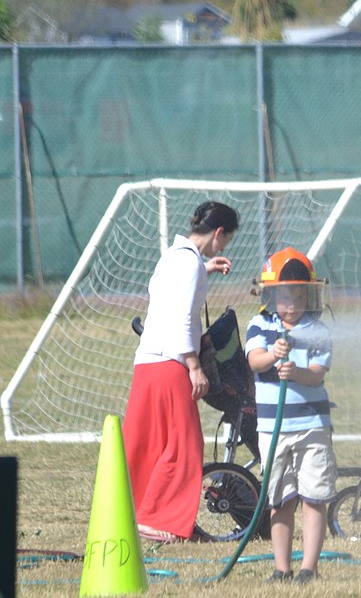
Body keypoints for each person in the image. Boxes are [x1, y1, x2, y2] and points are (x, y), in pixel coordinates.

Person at [123, 200, 238, 543]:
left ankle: (132, 511)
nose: (224, 246)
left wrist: (206, 267)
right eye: (226, 240)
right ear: (219, 232)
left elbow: (172, 293)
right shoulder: (189, 265)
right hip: (172, 363)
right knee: (185, 446)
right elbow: (184, 317)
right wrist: (194, 367)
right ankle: (157, 518)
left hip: (148, 362)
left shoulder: (175, 256)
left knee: (147, 442)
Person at [245, 248, 336, 585]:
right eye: (284, 297)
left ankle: (308, 569)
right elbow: (254, 361)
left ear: (310, 294)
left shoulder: (318, 329)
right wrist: (272, 354)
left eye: (299, 296)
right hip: (273, 429)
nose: (291, 305)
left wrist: (295, 371)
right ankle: (281, 568)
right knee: (279, 499)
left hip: (312, 425)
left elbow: (317, 374)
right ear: (270, 296)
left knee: (314, 496)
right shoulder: (259, 324)